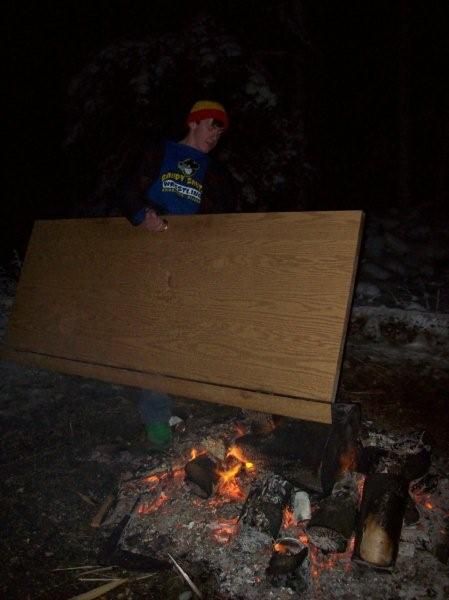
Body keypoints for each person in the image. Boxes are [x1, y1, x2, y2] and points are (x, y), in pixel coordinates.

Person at [120, 100, 236, 450]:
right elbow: (127, 189)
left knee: (189, 329)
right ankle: (156, 417)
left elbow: (225, 216)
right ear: (193, 122)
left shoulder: (215, 173)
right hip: (151, 251)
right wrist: (142, 215)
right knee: (153, 331)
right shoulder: (159, 152)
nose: (215, 135)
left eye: (220, 131)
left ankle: (189, 399)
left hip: (191, 257)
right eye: (212, 125)